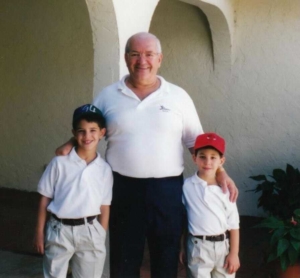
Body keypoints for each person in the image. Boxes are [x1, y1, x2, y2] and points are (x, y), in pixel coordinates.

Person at [56, 32, 238, 278]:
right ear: (126, 58)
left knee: (166, 256)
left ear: (160, 59)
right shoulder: (108, 95)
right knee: (123, 255)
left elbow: (198, 143)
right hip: (122, 187)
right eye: (135, 54)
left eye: (149, 54)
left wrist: (221, 173)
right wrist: (69, 144)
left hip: (167, 190)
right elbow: (91, 129)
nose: (142, 61)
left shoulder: (178, 96)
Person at [34, 104, 113, 278]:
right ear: (73, 133)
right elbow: (44, 199)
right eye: (81, 131)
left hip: (90, 231)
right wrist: (39, 232)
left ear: (102, 133)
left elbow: (105, 206)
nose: (87, 136)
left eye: (93, 130)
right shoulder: (59, 163)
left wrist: (101, 234)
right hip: (59, 230)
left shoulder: (104, 169)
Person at [180, 132, 240, 277]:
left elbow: (234, 224)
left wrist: (234, 253)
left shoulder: (226, 190)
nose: (207, 162)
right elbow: (183, 219)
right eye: (202, 157)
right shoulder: (187, 186)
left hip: (223, 248)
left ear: (221, 161)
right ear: (194, 158)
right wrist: (182, 247)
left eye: (213, 157)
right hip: (197, 246)